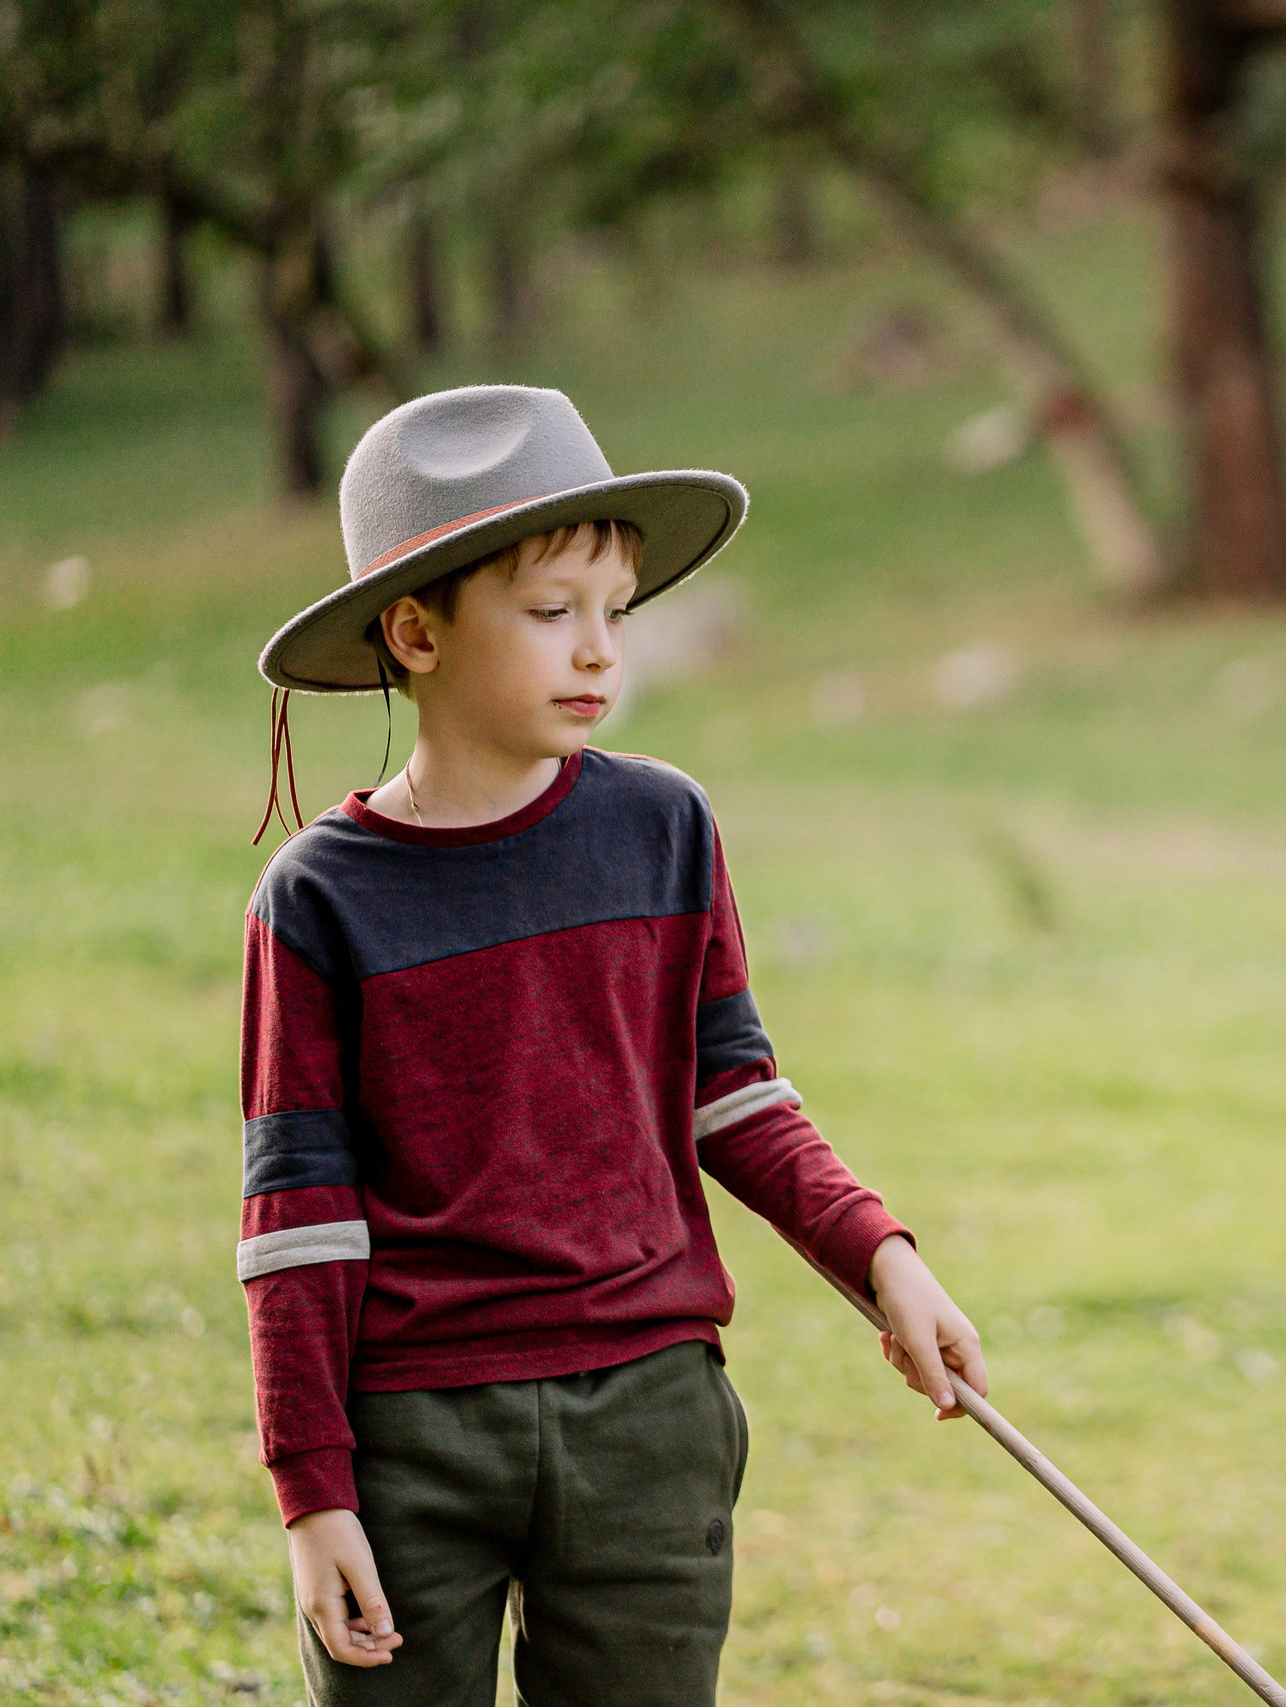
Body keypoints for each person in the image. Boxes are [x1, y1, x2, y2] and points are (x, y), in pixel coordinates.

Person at [239, 384, 985, 1703]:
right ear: (415, 631)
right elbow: (300, 1218)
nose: (600, 653)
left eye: (615, 614)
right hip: (417, 1432)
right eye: (549, 614)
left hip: (650, 1412)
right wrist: (313, 1493)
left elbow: (736, 1096)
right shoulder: (319, 898)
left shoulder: (665, 827)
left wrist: (881, 1258)